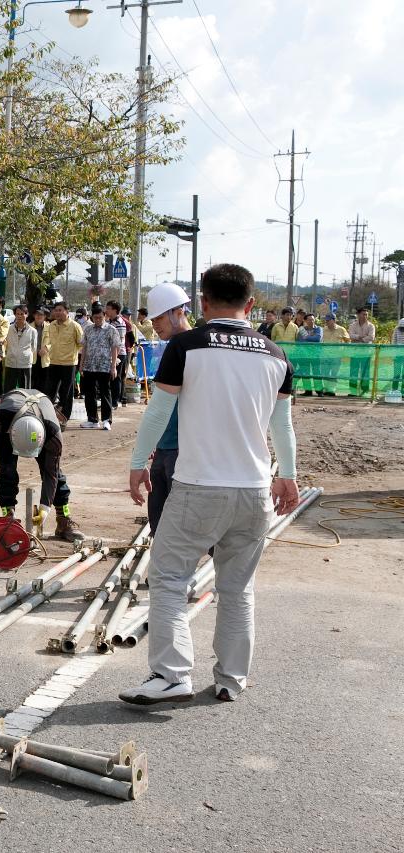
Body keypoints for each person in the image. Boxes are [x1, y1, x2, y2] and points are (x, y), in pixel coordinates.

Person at [122, 263, 298, 705]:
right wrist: (288, 478)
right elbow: (284, 427)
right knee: (237, 587)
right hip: (256, 490)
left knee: (167, 576)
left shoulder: (186, 345)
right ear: (251, 304)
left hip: (199, 485)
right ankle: (231, 678)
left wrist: (138, 462)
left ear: (202, 302)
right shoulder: (276, 355)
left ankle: (170, 674)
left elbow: (159, 413)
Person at [0, 388, 83, 543]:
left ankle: (63, 519)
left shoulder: (53, 434)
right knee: (7, 472)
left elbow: (51, 474)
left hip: (42, 422)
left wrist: (44, 508)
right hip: (11, 421)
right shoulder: (1, 418)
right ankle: (8, 517)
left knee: (56, 474)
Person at [139, 282, 193, 533]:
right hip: (164, 447)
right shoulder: (171, 347)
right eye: (153, 318)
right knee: (159, 524)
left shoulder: (194, 348)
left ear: (179, 312)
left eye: (160, 317)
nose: (155, 324)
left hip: (184, 450)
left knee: (181, 527)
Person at [79, 304, 121, 431]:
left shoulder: (111, 329)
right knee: (89, 393)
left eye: (100, 317)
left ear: (105, 316)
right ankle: (92, 419)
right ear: (92, 317)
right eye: (95, 318)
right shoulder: (88, 329)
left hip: (104, 366)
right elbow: (84, 347)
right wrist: (81, 364)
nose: (97, 320)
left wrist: (113, 366)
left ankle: (106, 420)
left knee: (105, 393)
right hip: (89, 365)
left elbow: (115, 347)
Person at [41, 303, 83, 421]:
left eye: (60, 310)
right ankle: (48, 416)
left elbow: (81, 345)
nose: (57, 313)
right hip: (53, 363)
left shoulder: (75, 326)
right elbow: (48, 341)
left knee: (67, 393)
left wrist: (73, 355)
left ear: (67, 311)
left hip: (69, 364)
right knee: (50, 391)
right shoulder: (51, 325)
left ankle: (64, 417)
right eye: (56, 310)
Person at [105, 301, 133, 407]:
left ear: (115, 310)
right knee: (112, 378)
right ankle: (112, 400)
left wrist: (114, 358)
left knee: (116, 378)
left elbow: (119, 343)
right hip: (112, 353)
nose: (106, 310)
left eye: (108, 308)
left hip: (118, 354)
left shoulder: (119, 323)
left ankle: (115, 402)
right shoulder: (111, 321)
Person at [3, 305, 37, 392]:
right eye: (17, 314)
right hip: (11, 363)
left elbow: (34, 347)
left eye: (22, 314)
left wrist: (25, 354)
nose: (19, 316)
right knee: (9, 390)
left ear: (27, 315)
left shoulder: (33, 331)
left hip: (25, 363)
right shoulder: (9, 329)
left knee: (25, 390)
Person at [318, 313, 350, 396]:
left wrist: (343, 350)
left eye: (329, 320)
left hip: (336, 356)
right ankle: (326, 389)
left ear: (334, 320)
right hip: (325, 355)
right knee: (325, 373)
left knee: (334, 374)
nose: (327, 322)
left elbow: (348, 340)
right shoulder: (323, 329)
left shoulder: (341, 329)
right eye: (326, 320)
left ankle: (332, 390)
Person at [347, 307, 376, 396]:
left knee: (365, 372)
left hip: (366, 353)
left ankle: (365, 391)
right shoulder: (352, 325)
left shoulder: (371, 326)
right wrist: (361, 337)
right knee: (353, 372)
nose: (365, 316)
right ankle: (353, 391)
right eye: (363, 314)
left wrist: (360, 339)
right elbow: (351, 336)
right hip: (354, 352)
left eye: (366, 314)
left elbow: (371, 337)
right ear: (358, 315)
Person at [294, 312, 322, 396]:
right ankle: (308, 391)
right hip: (304, 355)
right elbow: (299, 341)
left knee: (317, 372)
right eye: (309, 320)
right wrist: (311, 338)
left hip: (315, 355)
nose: (311, 321)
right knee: (305, 372)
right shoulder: (301, 329)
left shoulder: (319, 329)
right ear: (305, 321)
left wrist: (306, 337)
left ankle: (319, 391)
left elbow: (317, 339)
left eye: (313, 320)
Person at [30, 307, 49, 392]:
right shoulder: (29, 327)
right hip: (32, 357)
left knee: (44, 382)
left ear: (45, 316)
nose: (39, 316)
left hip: (45, 357)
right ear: (34, 315)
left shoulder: (50, 327)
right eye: (37, 314)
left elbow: (55, 341)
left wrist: (46, 348)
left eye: (41, 314)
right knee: (33, 381)